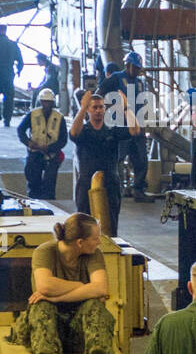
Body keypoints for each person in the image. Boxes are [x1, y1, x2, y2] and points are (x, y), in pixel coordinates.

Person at [7, 213, 116, 354]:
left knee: (94, 306)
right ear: (80, 242)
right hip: (47, 328)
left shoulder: (93, 255)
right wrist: (82, 286)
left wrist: (57, 297)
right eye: (95, 238)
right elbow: (45, 286)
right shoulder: (45, 252)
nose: (99, 243)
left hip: (79, 327)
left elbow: (101, 289)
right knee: (42, 306)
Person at [71, 90, 139, 236]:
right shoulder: (84, 132)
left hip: (110, 183)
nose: (98, 111)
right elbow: (74, 133)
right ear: (89, 110)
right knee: (83, 226)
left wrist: (127, 108)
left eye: (101, 107)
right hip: (86, 184)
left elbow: (134, 130)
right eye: (94, 107)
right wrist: (82, 108)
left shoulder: (112, 131)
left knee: (110, 225)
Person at [100, 51, 152, 202]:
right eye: (135, 68)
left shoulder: (140, 83)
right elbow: (99, 93)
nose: (137, 71)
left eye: (138, 69)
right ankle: (115, 188)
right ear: (127, 65)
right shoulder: (116, 78)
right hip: (120, 127)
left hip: (137, 126)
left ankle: (138, 189)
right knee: (118, 159)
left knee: (141, 159)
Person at [16, 88, 66, 199]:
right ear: (41, 102)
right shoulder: (33, 115)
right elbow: (20, 130)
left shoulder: (58, 118)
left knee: (49, 186)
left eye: (49, 102)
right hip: (35, 154)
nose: (47, 105)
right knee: (34, 185)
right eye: (45, 102)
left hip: (52, 155)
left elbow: (63, 139)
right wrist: (28, 142)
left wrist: (51, 148)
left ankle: (50, 208)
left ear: (53, 103)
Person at [0, 25, 23, 125]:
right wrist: (19, 70)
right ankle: (7, 120)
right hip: (8, 76)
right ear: (6, 31)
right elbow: (20, 60)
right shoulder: (12, 44)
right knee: (9, 98)